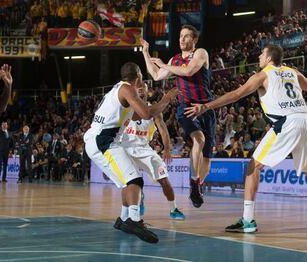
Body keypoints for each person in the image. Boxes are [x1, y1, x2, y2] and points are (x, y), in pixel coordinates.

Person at [185, 44, 307, 236]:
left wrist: (206, 107)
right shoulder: (292, 72)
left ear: (269, 58)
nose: (260, 57)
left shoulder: (262, 75)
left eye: (262, 54)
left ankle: (247, 220)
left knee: (252, 167)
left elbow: (236, 95)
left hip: (287, 122)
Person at [83, 62, 177, 243]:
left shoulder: (118, 90)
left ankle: (123, 219)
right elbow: (147, 113)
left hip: (100, 140)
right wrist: (166, 99)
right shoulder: (127, 89)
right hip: (104, 141)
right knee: (135, 180)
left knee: (127, 183)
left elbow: (137, 115)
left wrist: (153, 107)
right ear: (138, 76)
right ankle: (134, 221)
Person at [141, 24, 215, 208]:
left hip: (206, 107)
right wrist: (145, 52)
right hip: (186, 107)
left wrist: (164, 64)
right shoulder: (174, 60)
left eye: (186, 36)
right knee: (199, 139)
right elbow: (156, 75)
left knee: (207, 159)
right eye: (180, 36)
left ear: (194, 40)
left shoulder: (200, 54)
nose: (182, 39)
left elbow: (189, 71)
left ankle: (198, 184)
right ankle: (193, 181)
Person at [120, 83, 185, 220]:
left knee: (164, 180)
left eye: (143, 88)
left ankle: (173, 209)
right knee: (129, 182)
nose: (141, 91)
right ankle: (129, 211)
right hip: (125, 148)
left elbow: (162, 129)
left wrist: (167, 148)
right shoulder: (126, 106)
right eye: (138, 89)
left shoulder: (154, 109)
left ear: (147, 91)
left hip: (144, 149)